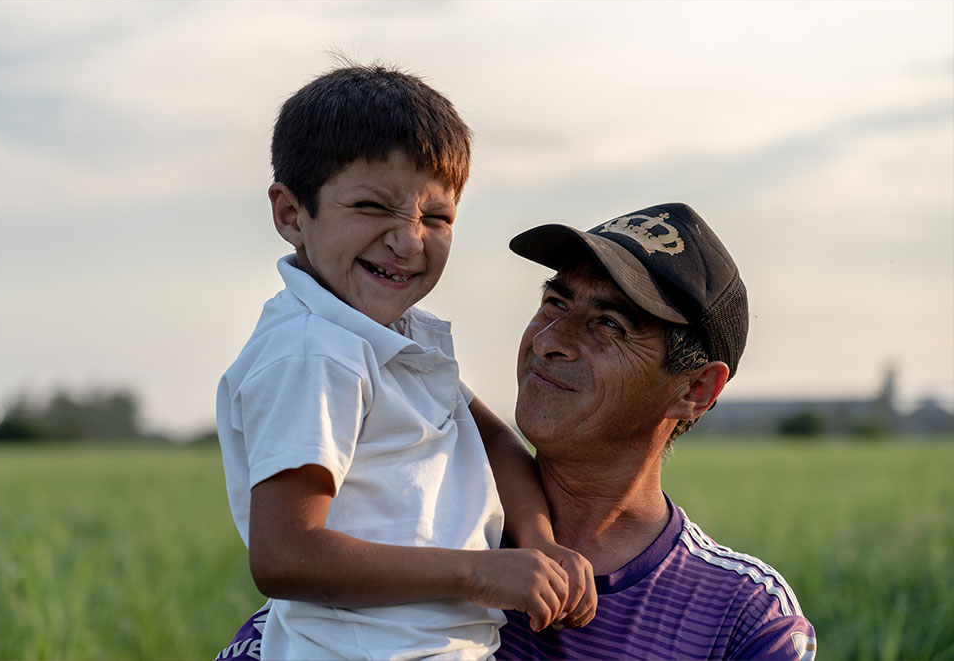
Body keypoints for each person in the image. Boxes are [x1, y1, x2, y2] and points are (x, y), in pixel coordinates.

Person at [214, 62, 594, 661]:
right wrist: (478, 574)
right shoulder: (315, 351)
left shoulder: (390, 335)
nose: (409, 240)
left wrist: (540, 543)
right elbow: (286, 555)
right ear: (291, 214)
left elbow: (493, 442)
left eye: (436, 217)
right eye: (371, 205)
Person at [496, 202, 817, 660]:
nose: (548, 341)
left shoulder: (743, 617)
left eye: (609, 324)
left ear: (696, 389)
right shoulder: (430, 518)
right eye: (554, 302)